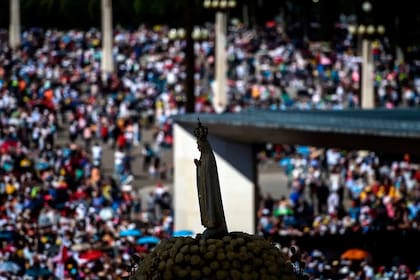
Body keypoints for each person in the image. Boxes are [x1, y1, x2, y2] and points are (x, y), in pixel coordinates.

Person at [194, 120, 228, 238]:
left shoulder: (208, 157)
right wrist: (199, 166)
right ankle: (209, 221)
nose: (198, 148)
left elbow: (208, 176)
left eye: (199, 145)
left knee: (210, 201)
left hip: (209, 189)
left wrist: (201, 167)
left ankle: (214, 221)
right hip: (205, 188)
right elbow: (204, 174)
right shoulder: (204, 157)